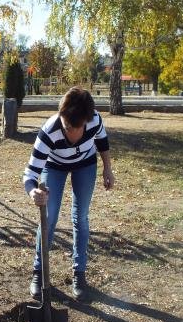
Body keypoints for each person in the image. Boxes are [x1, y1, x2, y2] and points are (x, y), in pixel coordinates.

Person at [22, 86, 115, 300]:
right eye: (67, 126)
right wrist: (32, 191)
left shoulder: (94, 119)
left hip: (85, 164)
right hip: (54, 166)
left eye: (77, 126)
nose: (71, 132)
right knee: (49, 217)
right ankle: (39, 274)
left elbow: (102, 141)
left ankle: (79, 274)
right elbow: (30, 174)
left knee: (80, 217)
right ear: (61, 116)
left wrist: (107, 168)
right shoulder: (49, 131)